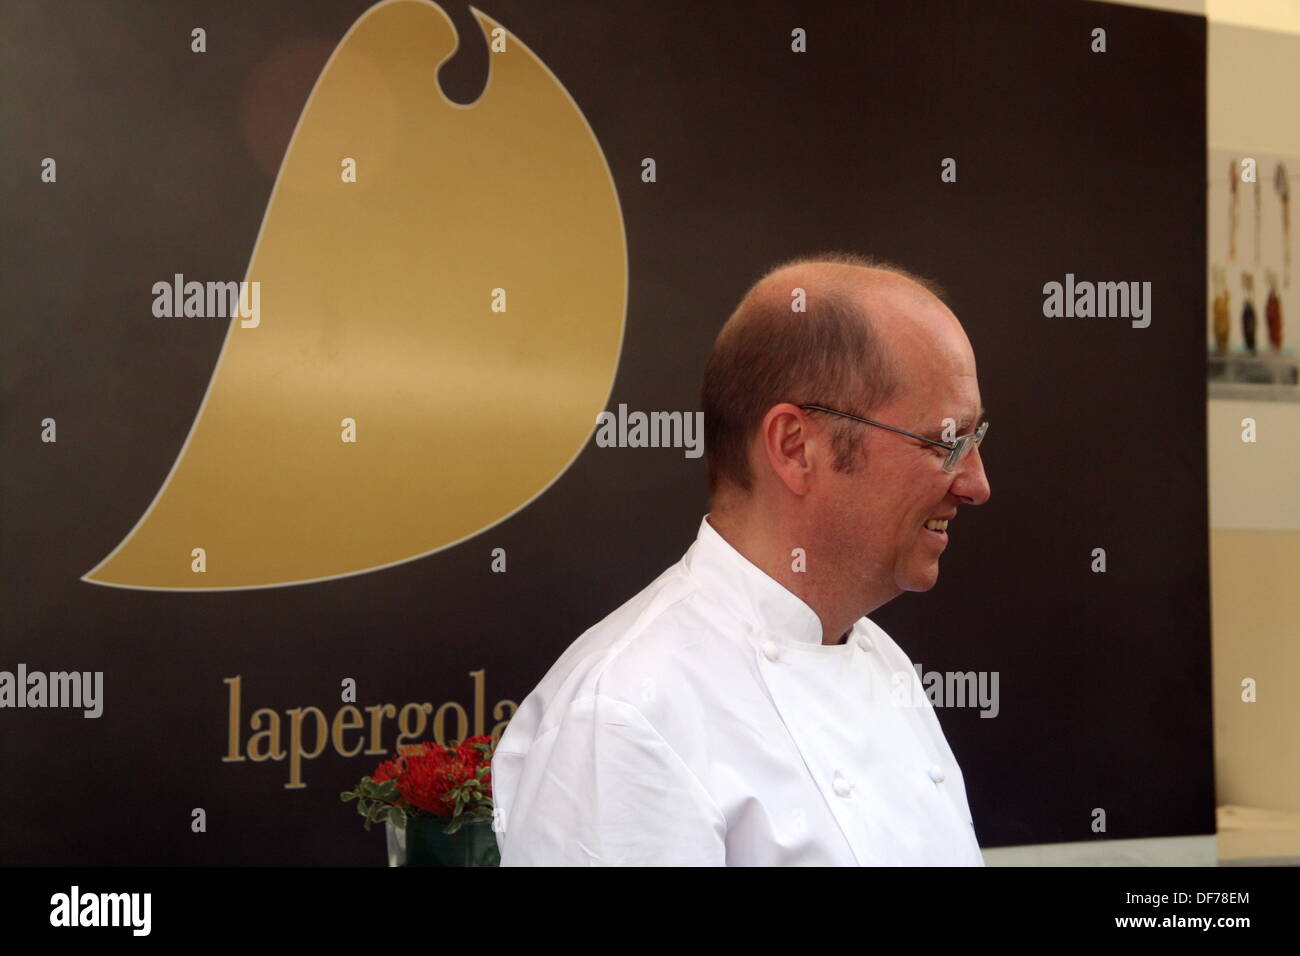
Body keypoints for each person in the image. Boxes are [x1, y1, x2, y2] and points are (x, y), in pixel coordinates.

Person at [491, 251, 991, 865]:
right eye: (946, 441)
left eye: (976, 439)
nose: (976, 484)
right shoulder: (625, 714)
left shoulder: (880, 660)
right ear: (795, 447)